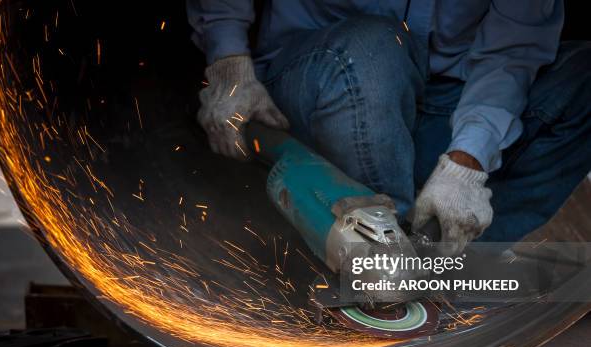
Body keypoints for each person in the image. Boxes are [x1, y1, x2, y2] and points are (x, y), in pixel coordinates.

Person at [187, 0, 591, 254]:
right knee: (373, 47)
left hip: (446, 102)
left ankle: (441, 257)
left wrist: (466, 163)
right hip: (318, 81)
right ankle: (379, 262)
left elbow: (511, 55)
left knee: (583, 81)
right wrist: (228, 61)